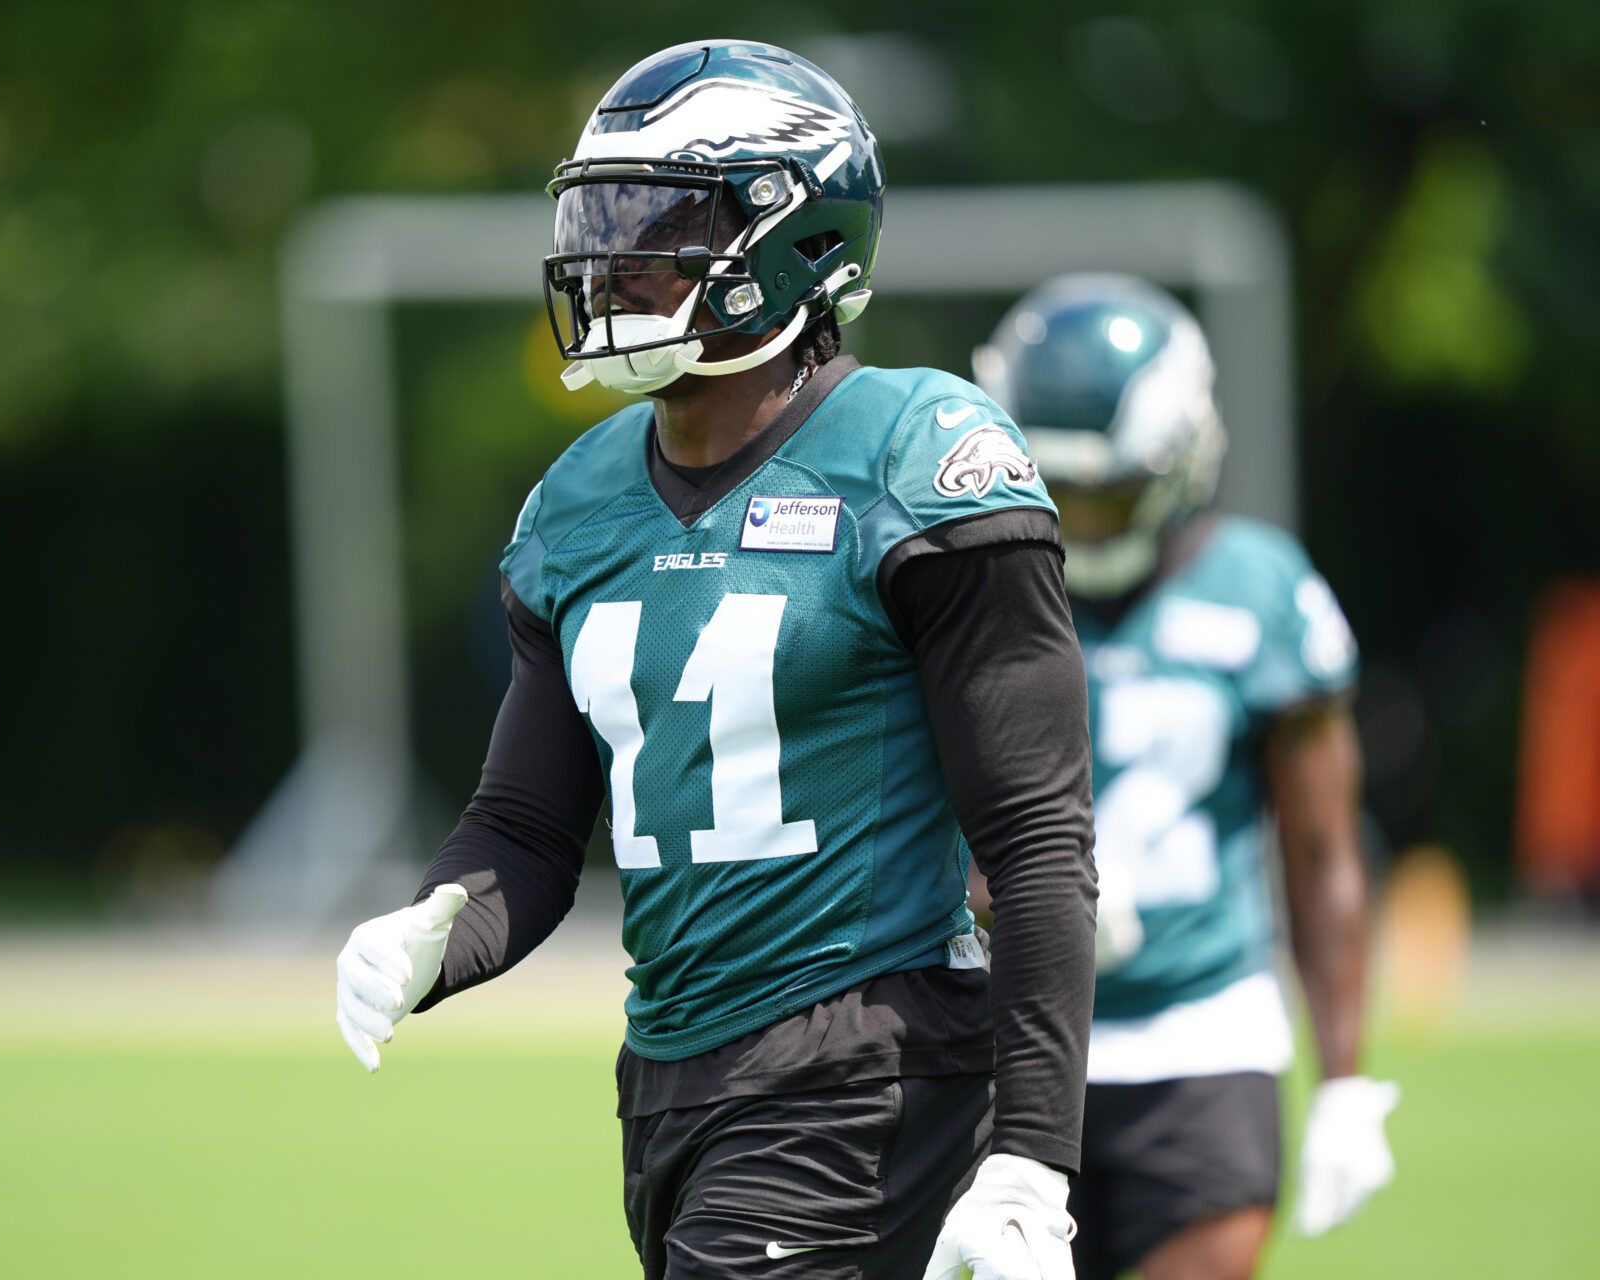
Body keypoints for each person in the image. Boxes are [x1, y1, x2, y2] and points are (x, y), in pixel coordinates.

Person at [336, 40, 1097, 1280]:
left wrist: (1031, 1160)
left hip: (867, 1057)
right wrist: (435, 927)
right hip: (669, 1072)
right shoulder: (579, 500)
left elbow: (1035, 837)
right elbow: (526, 825)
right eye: (600, 220)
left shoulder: (914, 457)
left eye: (658, 224)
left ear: (796, 238)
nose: (610, 261)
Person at [971, 275, 1398, 1280]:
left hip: (1202, 1035)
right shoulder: (970, 586)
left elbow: (1322, 847)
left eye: (1107, 491)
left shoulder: (1259, 588)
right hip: (1004, 1039)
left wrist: (1344, 1080)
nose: (1082, 518)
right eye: (1059, 490)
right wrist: (998, 897)